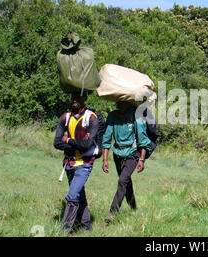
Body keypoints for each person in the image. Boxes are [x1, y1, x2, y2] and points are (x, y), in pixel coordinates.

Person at [53, 92, 99, 232]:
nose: (74, 100)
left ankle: (64, 230)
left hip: (84, 164)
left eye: (78, 97)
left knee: (72, 196)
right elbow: (56, 143)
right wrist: (77, 144)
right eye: (72, 97)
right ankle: (86, 226)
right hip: (69, 163)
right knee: (79, 194)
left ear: (85, 98)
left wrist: (67, 140)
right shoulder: (64, 117)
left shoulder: (91, 118)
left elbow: (87, 145)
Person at [102, 101, 152, 223]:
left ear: (129, 104)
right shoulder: (112, 116)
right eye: (118, 103)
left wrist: (141, 159)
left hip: (132, 153)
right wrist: (105, 159)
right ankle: (134, 208)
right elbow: (107, 138)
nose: (120, 105)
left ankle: (112, 212)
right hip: (117, 154)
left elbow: (142, 138)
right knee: (126, 183)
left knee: (122, 180)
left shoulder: (136, 116)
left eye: (123, 103)